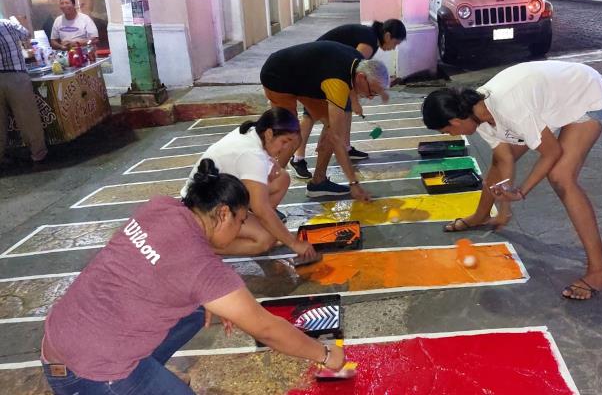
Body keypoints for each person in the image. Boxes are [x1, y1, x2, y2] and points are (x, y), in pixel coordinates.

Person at [41, 159, 345, 394]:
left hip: (60, 337)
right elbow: (266, 329)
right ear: (223, 213)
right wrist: (324, 354)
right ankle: (137, 376)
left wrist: (211, 299)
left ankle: (149, 369)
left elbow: (166, 261)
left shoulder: (159, 206)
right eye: (240, 221)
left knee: (197, 309)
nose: (240, 230)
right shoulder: (202, 269)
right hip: (88, 373)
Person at [421, 61, 602, 301]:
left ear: (455, 121)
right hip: (552, 102)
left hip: (587, 93)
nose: (449, 135)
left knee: (561, 177)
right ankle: (481, 215)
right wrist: (504, 209)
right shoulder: (477, 114)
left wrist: (521, 191)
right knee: (500, 157)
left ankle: (600, 270)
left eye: (445, 131)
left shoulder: (508, 109)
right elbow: (504, 161)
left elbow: (551, 152)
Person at [260, 40, 390, 200]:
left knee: (331, 127)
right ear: (362, 78)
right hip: (277, 76)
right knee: (291, 137)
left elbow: (334, 130)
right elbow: (337, 140)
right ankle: (262, 193)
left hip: (304, 79)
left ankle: (318, 182)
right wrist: (354, 184)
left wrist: (355, 102)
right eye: (372, 92)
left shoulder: (359, 63)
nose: (370, 97)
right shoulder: (338, 83)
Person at [181, 108, 315, 258]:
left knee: (281, 179)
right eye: (284, 141)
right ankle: (204, 245)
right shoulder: (252, 155)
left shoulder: (254, 131)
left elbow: (269, 172)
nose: (285, 148)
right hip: (201, 206)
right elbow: (262, 210)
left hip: (220, 192)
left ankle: (250, 227)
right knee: (266, 239)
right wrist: (294, 243)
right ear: (269, 133)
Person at [290, 19, 407, 178]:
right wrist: (355, 101)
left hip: (325, 67)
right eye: (396, 42)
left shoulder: (370, 37)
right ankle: (298, 158)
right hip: (315, 69)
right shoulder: (369, 43)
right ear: (387, 35)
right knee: (311, 114)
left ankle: (345, 147)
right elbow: (351, 73)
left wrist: (352, 101)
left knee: (345, 107)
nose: (394, 47)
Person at [0, 15, 48, 168]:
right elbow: (26, 34)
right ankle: (38, 155)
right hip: (15, 77)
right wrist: (16, 20)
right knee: (28, 119)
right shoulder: (7, 24)